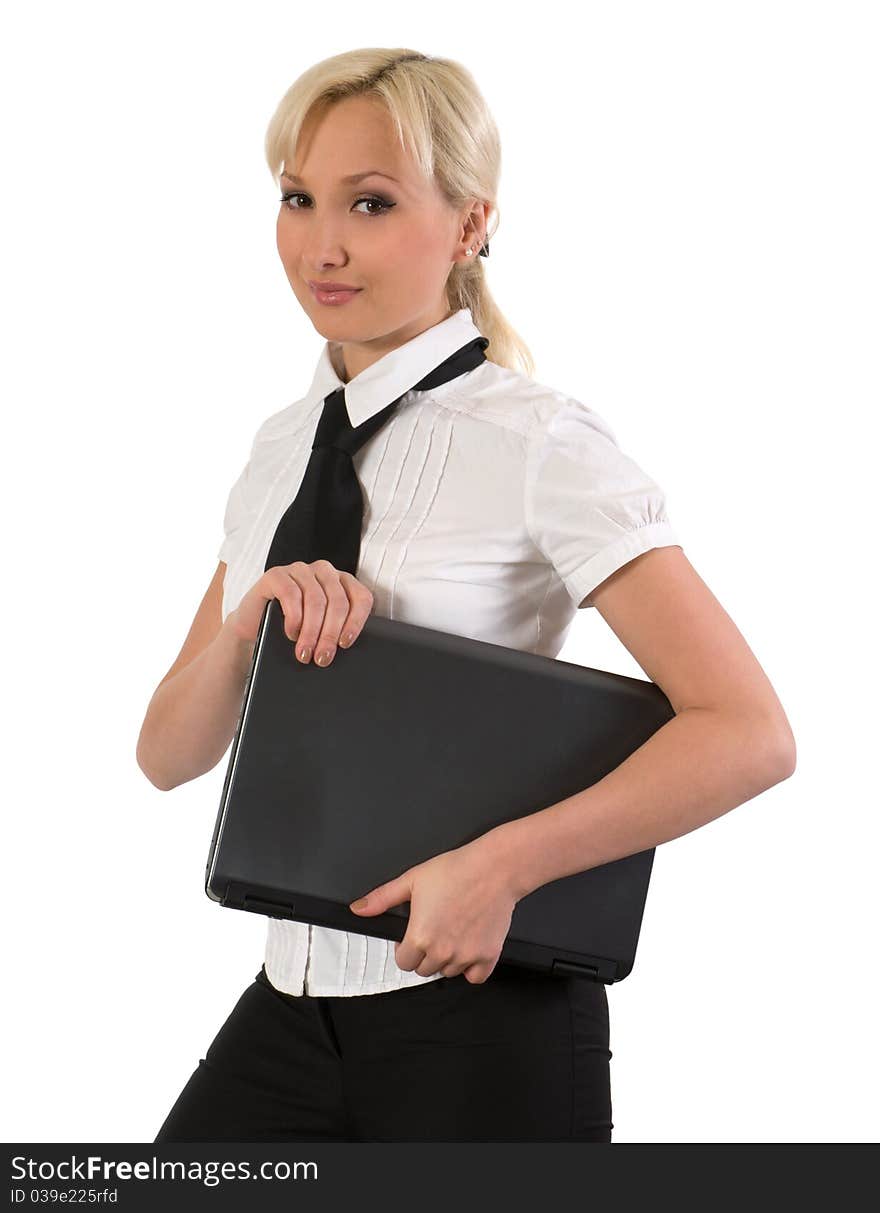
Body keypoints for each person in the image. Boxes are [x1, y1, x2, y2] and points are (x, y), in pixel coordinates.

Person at [139, 47, 796, 1144]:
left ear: (470, 222)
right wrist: (246, 625)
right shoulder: (277, 451)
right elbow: (166, 755)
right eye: (298, 199)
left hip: (488, 1018)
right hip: (294, 1007)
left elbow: (748, 733)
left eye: (372, 203)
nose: (322, 244)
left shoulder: (540, 443)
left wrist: (500, 869)